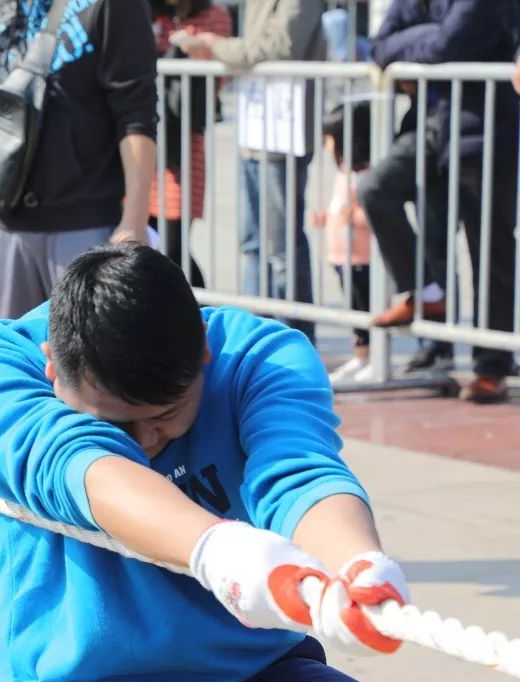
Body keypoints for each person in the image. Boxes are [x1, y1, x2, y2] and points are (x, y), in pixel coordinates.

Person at [0, 243, 494, 682]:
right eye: (117, 423)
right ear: (52, 366)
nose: (146, 442)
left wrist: (357, 563)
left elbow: (300, 471)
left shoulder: (261, 357)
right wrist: (217, 549)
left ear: (203, 353)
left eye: (167, 416)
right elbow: (78, 465)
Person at [0, 0, 158, 571]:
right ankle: (10, 515)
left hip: (85, 218)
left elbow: (136, 110)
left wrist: (134, 216)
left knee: (97, 380)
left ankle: (115, 517)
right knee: (19, 374)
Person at [363, 0, 519, 403]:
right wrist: (424, 44)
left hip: (484, 128)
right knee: (381, 193)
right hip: (430, 126)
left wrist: (413, 46)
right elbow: (379, 46)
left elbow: (451, 43)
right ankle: (428, 312)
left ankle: (492, 364)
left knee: (489, 250)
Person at [178, 0, 325, 343]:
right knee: (255, 242)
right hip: (258, 125)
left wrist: (215, 46)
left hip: (282, 130)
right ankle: (253, 335)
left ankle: (296, 338)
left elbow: (277, 48)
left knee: (282, 245)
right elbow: (255, 50)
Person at [149, 0, 232, 289]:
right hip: (142, 143)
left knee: (173, 248)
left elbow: (217, 77)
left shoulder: (213, 16)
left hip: (182, 146)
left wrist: (198, 52)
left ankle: (201, 316)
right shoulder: (146, 13)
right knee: (143, 244)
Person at [310, 102, 377, 385]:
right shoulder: (343, 175)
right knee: (352, 309)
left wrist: (357, 216)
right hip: (340, 257)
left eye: (330, 138)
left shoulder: (367, 178)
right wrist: (327, 217)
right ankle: (360, 356)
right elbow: (340, 207)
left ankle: (372, 357)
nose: (326, 145)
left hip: (361, 257)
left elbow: (375, 217)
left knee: (365, 307)